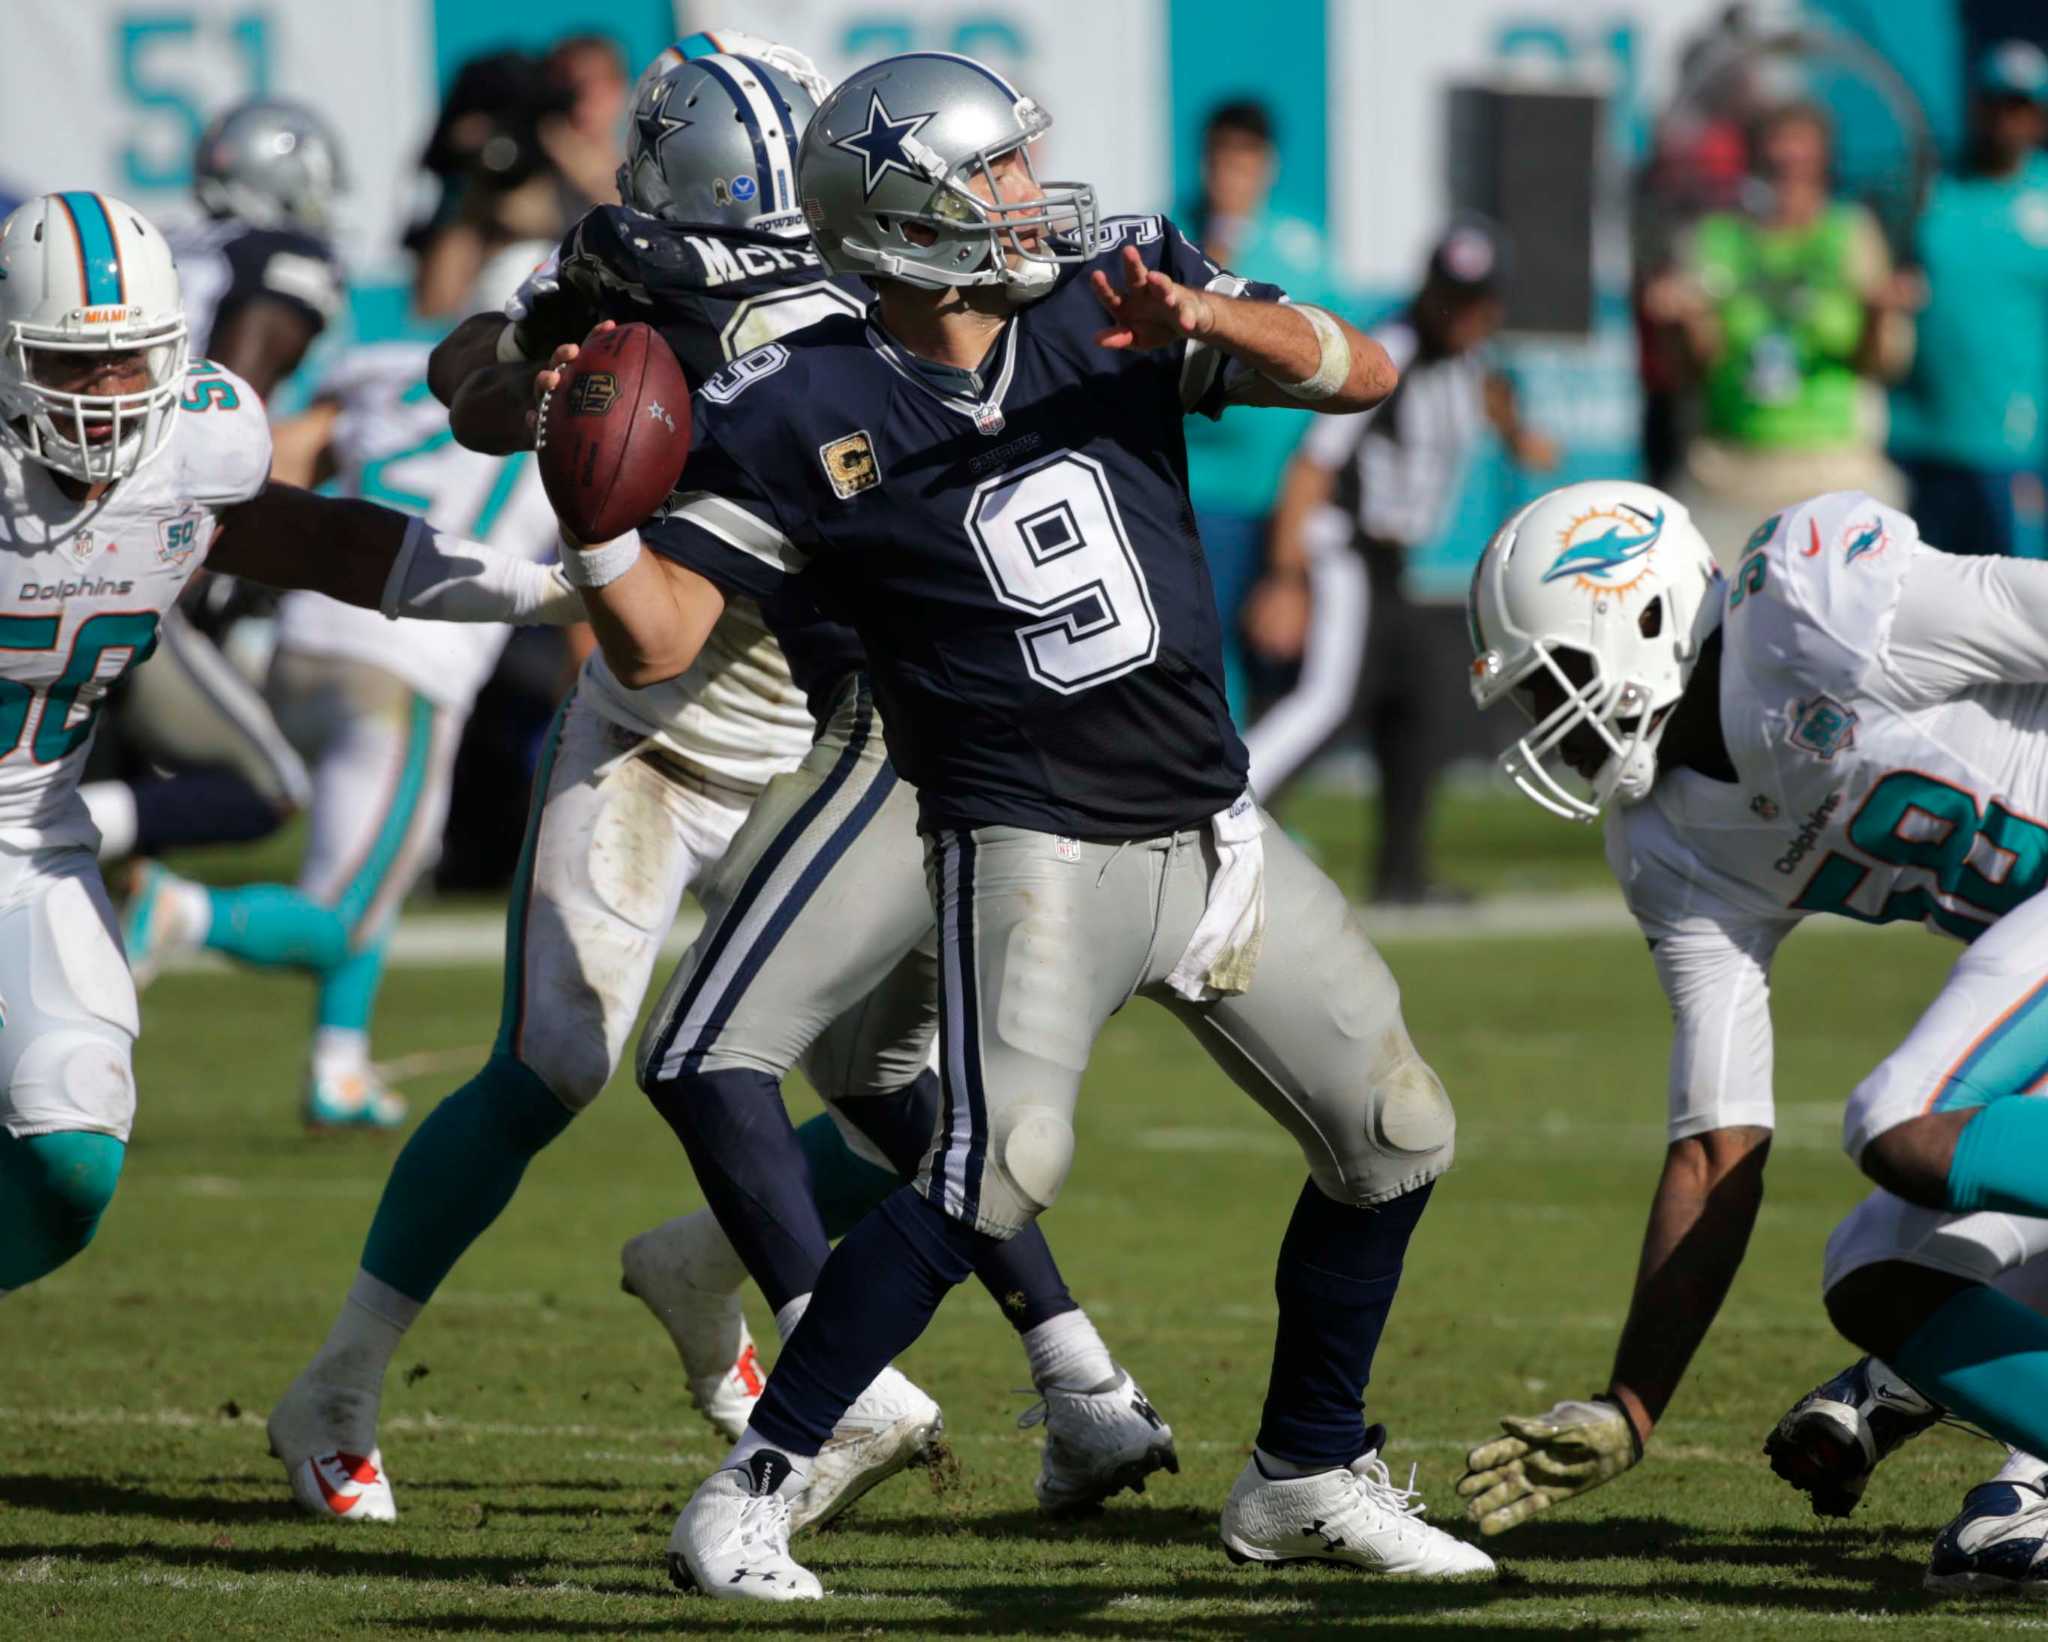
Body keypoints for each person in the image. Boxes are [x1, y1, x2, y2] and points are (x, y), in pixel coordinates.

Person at [553, 50, 1492, 1600]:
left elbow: (1364, 369)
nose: (1023, 192)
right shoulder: (803, 404)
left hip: (1210, 821)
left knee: (1395, 1133)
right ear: (909, 209)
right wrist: (592, 530)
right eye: (991, 172)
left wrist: (1211, 322)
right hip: (1027, 837)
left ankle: (1304, 1469)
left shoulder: (1110, 296)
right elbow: (658, 641)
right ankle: (756, 1486)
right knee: (994, 1170)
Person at [270, 43, 1164, 1535]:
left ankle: (755, 1273)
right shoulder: (629, 269)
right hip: (658, 723)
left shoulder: (894, 267)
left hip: (832, 728)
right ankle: (340, 1383)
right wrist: (531, 382)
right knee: (558, 1060)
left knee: (908, 1081)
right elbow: (468, 388)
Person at [1460, 480, 2048, 1598]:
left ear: (1631, 618)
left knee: (1898, 1119)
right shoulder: (1668, 843)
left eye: (1552, 682)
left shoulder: (1812, 602)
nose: (1547, 724)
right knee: (1871, 1273)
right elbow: (1714, 1144)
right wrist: (1631, 1404)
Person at [0, 189, 578, 1299]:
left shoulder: (199, 440)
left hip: (35, 841)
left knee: (72, 1149)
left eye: (133, 361)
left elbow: (321, 541)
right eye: (73, 364)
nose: (108, 396)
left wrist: (544, 591)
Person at [121, 241, 562, 1129]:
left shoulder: (390, 369)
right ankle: (179, 912)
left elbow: (282, 458)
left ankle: (340, 1066)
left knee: (370, 869)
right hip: (409, 661)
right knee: (347, 910)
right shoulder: (584, 406)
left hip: (306, 633)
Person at [1241, 217, 1557, 903]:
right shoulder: (1390, 349)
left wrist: (1519, 435)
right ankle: (1222, 822)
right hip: (1342, 548)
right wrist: (1286, 576)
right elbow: (1313, 465)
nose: (1462, 315)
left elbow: (1487, 405)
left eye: (1473, 302)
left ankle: (1402, 871)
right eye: (1451, 298)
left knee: (1420, 704)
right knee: (1325, 701)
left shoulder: (1471, 360)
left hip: (1393, 563)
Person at [79, 101, 351, 871]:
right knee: (265, 785)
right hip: (129, 528)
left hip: (65, 505)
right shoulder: (282, 258)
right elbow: (224, 410)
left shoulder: (161, 242)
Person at [1646, 100, 1918, 562]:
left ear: (1824, 168)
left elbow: (1883, 364)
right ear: (1753, 165)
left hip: (1835, 476)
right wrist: (1681, 324)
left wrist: (1879, 314)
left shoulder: (1850, 234)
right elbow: (1689, 369)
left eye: (1802, 165)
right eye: (1775, 165)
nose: (1788, 178)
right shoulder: (1715, 239)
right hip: (1729, 473)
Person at [1180, 99, 1342, 721]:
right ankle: (1225, 794)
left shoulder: (1303, 251)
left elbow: (1333, 359)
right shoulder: (1176, 237)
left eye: (1245, 159)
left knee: (1280, 655)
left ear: (1266, 166)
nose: (1231, 174)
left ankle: (1258, 793)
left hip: (1282, 493)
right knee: (1205, 653)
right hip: (1199, 488)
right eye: (1222, 158)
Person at [1889, 40, 2048, 562]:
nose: (2007, 119)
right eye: (1996, 103)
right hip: (1919, 439)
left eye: (2021, 106)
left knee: (2013, 610)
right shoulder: (1930, 189)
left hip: (2011, 449)